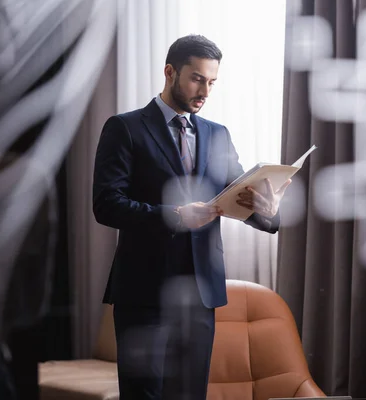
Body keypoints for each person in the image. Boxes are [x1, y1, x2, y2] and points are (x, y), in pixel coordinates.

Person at [92, 34, 290, 400]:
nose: (205, 91)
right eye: (197, 78)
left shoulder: (218, 134)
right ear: (170, 72)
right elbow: (106, 204)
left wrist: (269, 211)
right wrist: (175, 216)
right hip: (144, 293)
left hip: (200, 295)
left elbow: (240, 197)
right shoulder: (125, 128)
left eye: (212, 82)